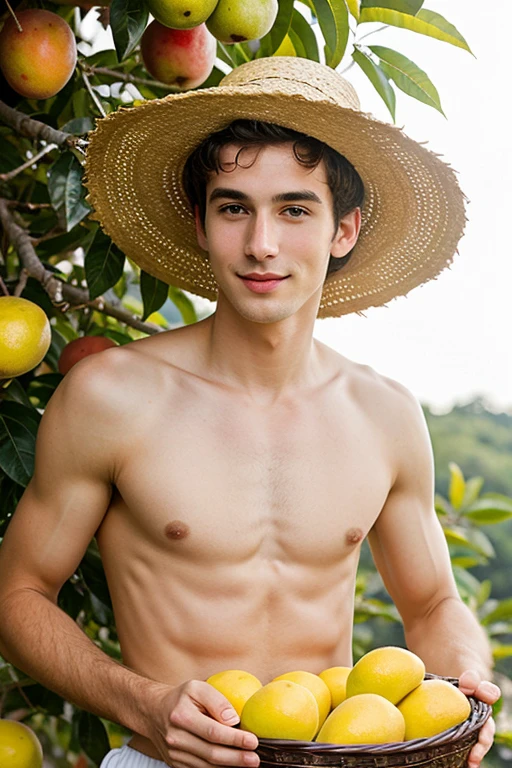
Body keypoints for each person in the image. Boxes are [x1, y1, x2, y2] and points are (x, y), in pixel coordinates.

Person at [0, 57, 500, 768]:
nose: (261, 243)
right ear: (201, 225)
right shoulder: (112, 397)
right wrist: (140, 700)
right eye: (235, 207)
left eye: (295, 209)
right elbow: (18, 595)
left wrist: (467, 685)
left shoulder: (385, 415)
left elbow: (433, 606)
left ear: (344, 230)